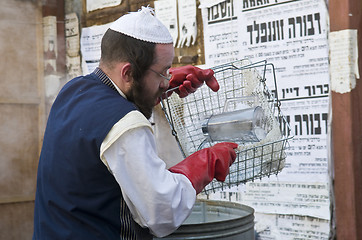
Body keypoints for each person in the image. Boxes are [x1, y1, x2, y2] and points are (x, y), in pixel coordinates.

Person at [33, 6, 238, 240]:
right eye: (163, 72)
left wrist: (160, 85)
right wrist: (206, 162)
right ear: (128, 73)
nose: (167, 80)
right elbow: (163, 211)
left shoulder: (73, 90)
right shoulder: (124, 123)